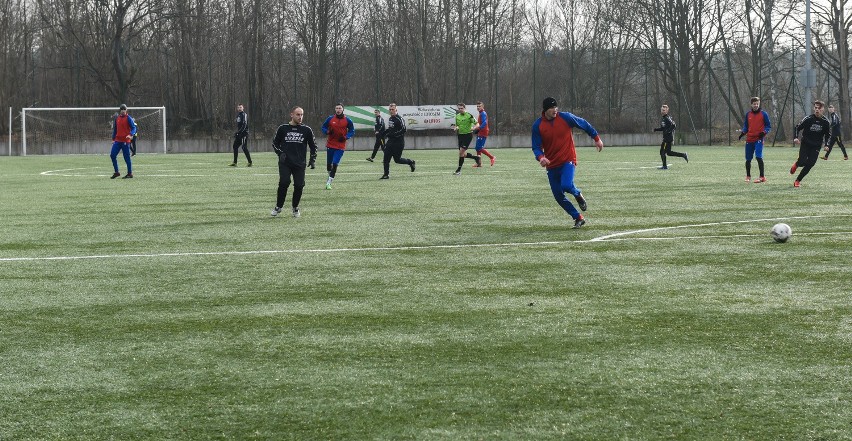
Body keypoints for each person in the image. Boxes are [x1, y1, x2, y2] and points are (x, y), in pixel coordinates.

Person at [531, 97, 603, 228]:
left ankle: (577, 194)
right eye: (552, 108)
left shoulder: (566, 117)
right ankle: (578, 217)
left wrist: (596, 138)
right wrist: (541, 157)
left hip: (567, 159)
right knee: (558, 195)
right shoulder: (538, 126)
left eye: (556, 107)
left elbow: (584, 124)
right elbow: (536, 147)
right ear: (545, 110)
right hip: (551, 165)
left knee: (566, 185)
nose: (555, 110)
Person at [270, 106, 317, 218]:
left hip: (300, 163)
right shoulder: (283, 128)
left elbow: (313, 146)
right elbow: (274, 143)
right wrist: (280, 153)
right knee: (284, 183)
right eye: (298, 114)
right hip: (285, 162)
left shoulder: (307, 130)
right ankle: (278, 206)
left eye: (301, 115)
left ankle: (295, 207)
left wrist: (312, 159)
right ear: (292, 115)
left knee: (299, 185)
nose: (300, 117)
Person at [791, 100, 831, 187]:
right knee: (802, 161)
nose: (817, 110)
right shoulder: (808, 119)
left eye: (819, 108)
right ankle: (797, 164)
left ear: (823, 109)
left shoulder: (826, 122)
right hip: (805, 143)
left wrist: (827, 145)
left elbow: (828, 135)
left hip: (816, 146)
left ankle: (797, 180)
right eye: (815, 108)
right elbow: (797, 127)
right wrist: (795, 137)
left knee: (810, 164)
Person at [321, 103, 355, 189]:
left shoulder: (348, 120)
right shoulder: (330, 119)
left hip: (340, 145)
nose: (338, 110)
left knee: (335, 164)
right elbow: (323, 127)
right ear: (335, 110)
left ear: (343, 109)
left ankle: (329, 182)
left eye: (340, 108)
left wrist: (345, 137)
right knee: (329, 166)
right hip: (330, 144)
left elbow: (352, 131)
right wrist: (327, 132)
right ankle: (330, 175)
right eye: (337, 108)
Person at [738, 97, 771, 182]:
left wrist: (764, 132)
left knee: (758, 156)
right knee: (748, 159)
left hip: (759, 139)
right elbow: (746, 126)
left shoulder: (764, 114)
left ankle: (762, 177)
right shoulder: (748, 114)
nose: (756, 105)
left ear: (759, 104)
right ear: (751, 104)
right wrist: (743, 133)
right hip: (749, 139)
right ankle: (748, 176)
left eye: (757, 103)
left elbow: (768, 126)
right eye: (754, 104)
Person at [380, 102, 415, 179]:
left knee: (397, 160)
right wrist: (384, 133)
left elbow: (404, 129)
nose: (391, 110)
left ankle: (410, 162)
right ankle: (386, 174)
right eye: (390, 109)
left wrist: (393, 135)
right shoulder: (390, 118)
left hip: (398, 143)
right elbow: (391, 129)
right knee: (386, 158)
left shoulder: (400, 119)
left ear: (396, 109)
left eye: (393, 109)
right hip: (390, 142)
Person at [653, 104, 688, 169]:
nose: (662, 111)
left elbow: (674, 125)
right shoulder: (664, 118)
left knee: (662, 152)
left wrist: (668, 131)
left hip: (667, 139)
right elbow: (663, 128)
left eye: (664, 110)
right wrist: (656, 129)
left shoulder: (667, 118)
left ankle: (664, 166)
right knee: (669, 152)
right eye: (662, 110)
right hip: (667, 138)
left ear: (666, 111)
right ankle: (683, 155)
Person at [109, 104, 137, 179]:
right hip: (117, 141)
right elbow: (115, 130)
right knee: (112, 155)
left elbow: (134, 128)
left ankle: (129, 173)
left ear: (126, 110)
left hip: (125, 141)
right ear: (120, 111)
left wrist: (130, 134)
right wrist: (113, 139)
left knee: (126, 157)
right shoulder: (117, 118)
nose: (124, 111)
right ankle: (117, 172)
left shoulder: (129, 118)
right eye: (122, 110)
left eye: (125, 110)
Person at [452, 102, 481, 175]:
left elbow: (477, 124)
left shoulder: (469, 116)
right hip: (460, 136)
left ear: (465, 108)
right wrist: (456, 128)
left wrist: (474, 128)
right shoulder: (457, 116)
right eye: (459, 108)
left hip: (467, 135)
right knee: (463, 154)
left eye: (462, 108)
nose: (460, 110)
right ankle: (476, 158)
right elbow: (457, 125)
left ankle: (458, 170)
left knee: (461, 152)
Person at [472, 101, 496, 167]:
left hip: (483, 131)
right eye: (477, 106)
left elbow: (485, 122)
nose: (478, 107)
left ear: (483, 107)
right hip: (481, 131)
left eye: (479, 106)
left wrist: (478, 128)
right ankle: (478, 163)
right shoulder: (481, 113)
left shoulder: (483, 113)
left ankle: (492, 157)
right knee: (478, 148)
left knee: (478, 147)